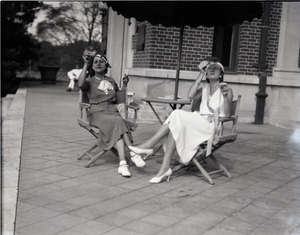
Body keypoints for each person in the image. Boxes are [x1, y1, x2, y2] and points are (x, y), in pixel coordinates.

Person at [129, 58, 233, 183]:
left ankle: (148, 146)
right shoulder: (203, 89)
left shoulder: (227, 89)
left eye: (215, 68)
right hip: (198, 122)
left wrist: (226, 97)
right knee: (175, 123)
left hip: (212, 126)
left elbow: (227, 114)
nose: (211, 70)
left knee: (176, 114)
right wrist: (200, 74)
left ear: (221, 74)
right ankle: (164, 168)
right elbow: (190, 96)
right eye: (209, 69)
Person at [78, 51, 146, 178]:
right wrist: (85, 64)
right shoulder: (89, 81)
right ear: (92, 66)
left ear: (106, 65)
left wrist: (125, 84)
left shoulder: (111, 81)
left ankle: (122, 163)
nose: (98, 64)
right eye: (95, 62)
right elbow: (80, 84)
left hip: (112, 113)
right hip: (97, 113)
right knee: (119, 122)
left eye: (101, 61)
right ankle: (133, 153)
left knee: (118, 127)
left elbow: (119, 100)